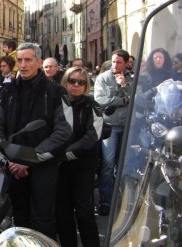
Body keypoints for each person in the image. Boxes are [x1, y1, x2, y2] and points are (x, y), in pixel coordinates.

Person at [0, 42, 72, 239]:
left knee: (43, 220)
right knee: (19, 219)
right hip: (14, 167)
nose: (23, 64)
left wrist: (28, 159)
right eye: (19, 60)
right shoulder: (8, 91)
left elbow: (63, 132)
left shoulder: (55, 92)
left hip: (43, 166)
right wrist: (11, 159)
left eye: (28, 60)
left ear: (38, 62)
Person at [56, 67, 103, 247]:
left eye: (80, 82)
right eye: (72, 81)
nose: (75, 85)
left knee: (84, 212)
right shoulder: (56, 104)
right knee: (62, 213)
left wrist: (66, 153)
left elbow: (92, 136)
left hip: (83, 165)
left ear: (86, 86)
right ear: (65, 82)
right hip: (60, 166)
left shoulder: (93, 105)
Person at [94, 49, 133, 216]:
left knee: (123, 166)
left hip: (128, 126)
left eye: (119, 62)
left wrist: (124, 86)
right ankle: (106, 202)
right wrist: (122, 100)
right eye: (113, 61)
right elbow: (100, 100)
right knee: (108, 165)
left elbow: (135, 99)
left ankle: (123, 201)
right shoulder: (103, 78)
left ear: (126, 64)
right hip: (110, 127)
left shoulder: (131, 78)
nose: (115, 65)